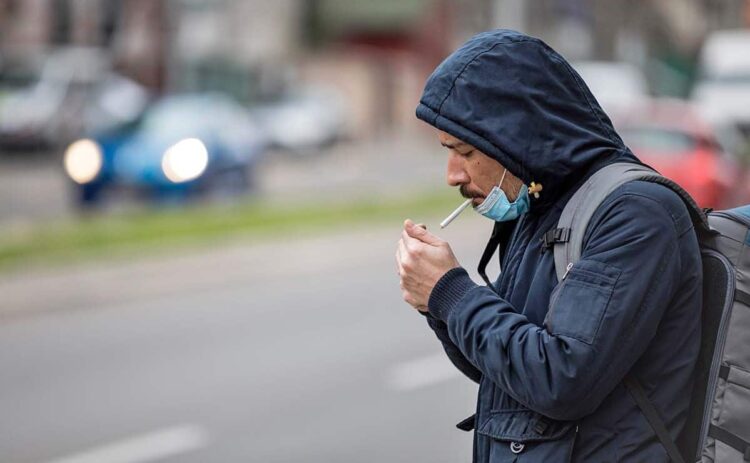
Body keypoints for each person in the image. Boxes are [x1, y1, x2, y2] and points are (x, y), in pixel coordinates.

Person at [395, 30, 702, 462]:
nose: (453, 175)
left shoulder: (635, 213)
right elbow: (502, 371)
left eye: (463, 150)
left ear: (514, 133)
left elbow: (562, 380)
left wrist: (450, 291)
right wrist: (436, 303)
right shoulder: (543, 208)